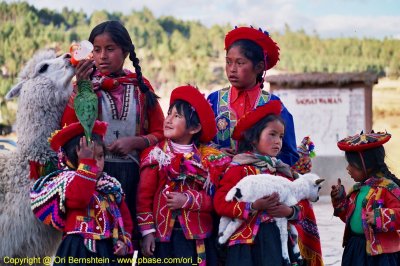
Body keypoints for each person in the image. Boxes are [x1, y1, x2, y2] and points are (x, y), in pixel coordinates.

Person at [61, 20, 165, 245]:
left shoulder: (140, 87)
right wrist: (82, 88)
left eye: (110, 49)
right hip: (94, 177)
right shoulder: (84, 88)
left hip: (134, 179)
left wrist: (136, 142)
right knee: (99, 242)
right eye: (96, 50)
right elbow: (68, 131)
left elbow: (161, 132)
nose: (102, 56)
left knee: (128, 242)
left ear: (125, 52)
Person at [214, 100, 323, 266]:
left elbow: (301, 209)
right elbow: (221, 203)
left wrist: (288, 211)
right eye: (272, 134)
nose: (278, 141)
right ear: (253, 138)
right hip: (244, 246)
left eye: (280, 136)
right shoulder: (238, 169)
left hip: (276, 245)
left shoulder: (282, 172)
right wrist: (253, 206)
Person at [136, 85, 231, 265]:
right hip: (163, 240)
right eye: (169, 113)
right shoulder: (156, 155)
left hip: (197, 240)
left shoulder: (209, 160)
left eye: (177, 116)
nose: (168, 120)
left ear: (194, 128)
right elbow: (144, 197)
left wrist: (188, 200)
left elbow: (218, 199)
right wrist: (147, 232)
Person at [207, 25, 299, 166]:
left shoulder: (274, 106)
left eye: (240, 63)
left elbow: (290, 154)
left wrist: (260, 162)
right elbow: (196, 143)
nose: (232, 69)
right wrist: (217, 152)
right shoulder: (213, 101)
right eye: (228, 62)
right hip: (218, 184)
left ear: (259, 67)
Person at [49, 120, 134, 263]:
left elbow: (126, 220)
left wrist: (123, 242)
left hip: (106, 250)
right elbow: (79, 199)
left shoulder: (111, 187)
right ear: (72, 159)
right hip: (77, 251)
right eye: (89, 158)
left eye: (100, 157)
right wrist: (86, 165)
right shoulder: (68, 181)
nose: (97, 163)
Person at [331, 131, 400, 266]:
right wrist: (340, 199)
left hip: (381, 256)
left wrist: (380, 217)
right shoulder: (357, 190)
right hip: (355, 249)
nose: (348, 168)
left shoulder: (388, 188)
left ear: (366, 165)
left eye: (351, 164)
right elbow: (348, 218)